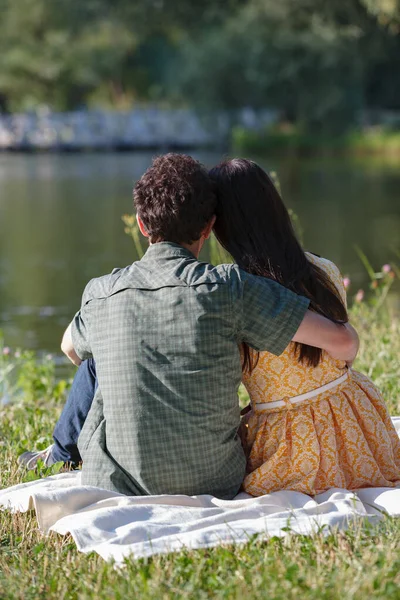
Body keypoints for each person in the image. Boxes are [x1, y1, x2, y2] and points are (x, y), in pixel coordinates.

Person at [19, 153, 359, 499]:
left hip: (118, 481)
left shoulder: (101, 292)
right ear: (209, 228)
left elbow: (68, 348)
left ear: (141, 224)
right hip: (215, 480)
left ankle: (61, 455)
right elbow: (341, 340)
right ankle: (60, 452)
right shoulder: (230, 287)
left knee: (96, 353)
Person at [209, 158, 400, 496]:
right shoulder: (322, 269)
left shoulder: (235, 293)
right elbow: (345, 351)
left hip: (290, 443)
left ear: (220, 226)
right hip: (353, 422)